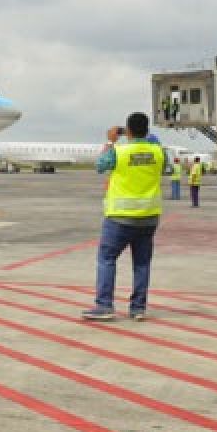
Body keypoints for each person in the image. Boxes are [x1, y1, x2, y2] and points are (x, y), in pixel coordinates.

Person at [82, 112, 164, 321]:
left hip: (120, 217)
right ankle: (138, 308)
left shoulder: (119, 151)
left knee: (107, 259)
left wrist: (110, 141)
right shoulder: (158, 152)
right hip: (148, 217)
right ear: (147, 130)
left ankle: (104, 305)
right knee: (142, 264)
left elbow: (100, 165)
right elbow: (164, 162)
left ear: (127, 130)